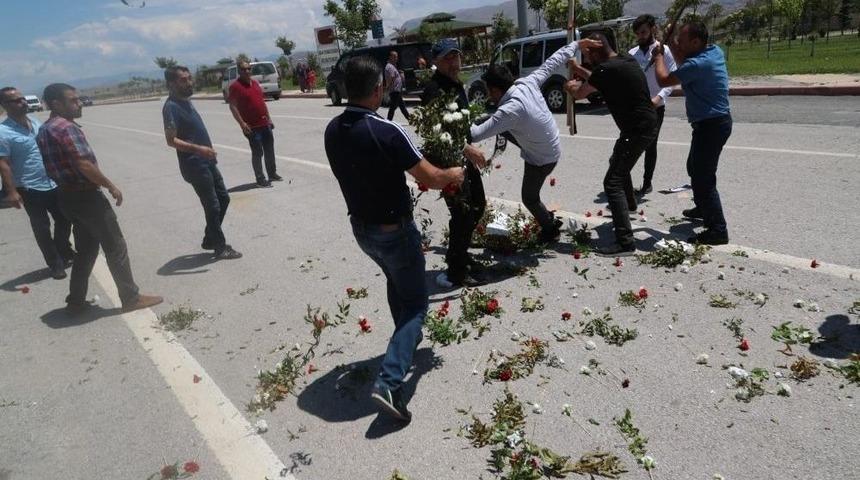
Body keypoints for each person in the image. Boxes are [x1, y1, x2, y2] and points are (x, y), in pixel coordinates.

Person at [324, 56, 465, 421]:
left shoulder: (333, 130)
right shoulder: (386, 130)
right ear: (378, 89)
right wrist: (453, 172)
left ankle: (402, 343)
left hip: (363, 231)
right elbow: (431, 177)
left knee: (394, 280)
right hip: (392, 231)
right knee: (417, 303)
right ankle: (390, 382)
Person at [36, 83, 162, 313]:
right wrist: (110, 185)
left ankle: (75, 301)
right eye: (73, 100)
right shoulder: (66, 128)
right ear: (56, 104)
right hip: (86, 198)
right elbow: (83, 163)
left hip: (66, 196)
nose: (79, 103)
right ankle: (131, 298)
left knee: (86, 249)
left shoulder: (45, 129)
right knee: (115, 246)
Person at [469, 36, 602, 244]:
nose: (488, 96)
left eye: (488, 91)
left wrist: (457, 123)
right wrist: (576, 45)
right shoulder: (527, 82)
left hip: (541, 159)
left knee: (529, 197)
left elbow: (475, 134)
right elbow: (553, 61)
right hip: (553, 145)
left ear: (495, 90)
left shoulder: (508, 111)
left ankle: (550, 229)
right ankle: (548, 222)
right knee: (494, 123)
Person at [566, 33, 658, 256]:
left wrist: (569, 86)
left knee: (612, 182)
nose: (588, 59)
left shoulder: (605, 70)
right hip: (644, 125)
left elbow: (580, 93)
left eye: (589, 54)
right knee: (617, 162)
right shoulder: (625, 60)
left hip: (636, 130)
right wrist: (577, 68)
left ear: (597, 50)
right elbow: (597, 77)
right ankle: (630, 204)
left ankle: (625, 243)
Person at [653, 20, 731, 245]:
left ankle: (718, 229)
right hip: (713, 124)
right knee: (694, 167)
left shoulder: (696, 65)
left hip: (712, 126)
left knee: (703, 178)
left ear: (696, 42)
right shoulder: (713, 51)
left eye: (682, 39)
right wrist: (672, 42)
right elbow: (682, 57)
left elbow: (664, 79)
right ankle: (703, 207)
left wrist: (659, 55)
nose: (677, 42)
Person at [420, 38, 487, 287]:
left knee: (477, 206)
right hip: (448, 164)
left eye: (455, 56)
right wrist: (467, 148)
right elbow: (435, 133)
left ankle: (460, 255)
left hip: (464, 161)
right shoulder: (434, 90)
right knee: (462, 214)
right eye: (447, 58)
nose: (453, 62)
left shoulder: (455, 84)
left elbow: (461, 123)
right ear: (436, 62)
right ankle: (455, 272)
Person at [162, 66, 243, 260]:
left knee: (224, 198)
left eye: (189, 78)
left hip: (206, 162)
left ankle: (209, 238)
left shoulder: (186, 102)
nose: (189, 82)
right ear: (172, 84)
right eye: (184, 80)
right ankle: (220, 246)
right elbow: (170, 140)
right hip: (194, 165)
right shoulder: (171, 107)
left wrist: (207, 153)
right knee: (213, 205)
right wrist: (200, 149)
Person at [0, 86, 75, 279]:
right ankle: (55, 263)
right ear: (4, 105)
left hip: (52, 181)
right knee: (41, 227)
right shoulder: (3, 132)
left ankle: (62, 249)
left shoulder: (34, 121)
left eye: (22, 98)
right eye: (15, 100)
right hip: (28, 187)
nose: (22, 102)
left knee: (65, 219)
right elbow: (4, 164)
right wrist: (11, 192)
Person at [629, 14, 677, 196]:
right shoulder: (632, 54)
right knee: (632, 143)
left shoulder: (663, 51)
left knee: (651, 144)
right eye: (638, 33)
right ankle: (624, 182)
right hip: (637, 107)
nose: (641, 36)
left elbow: (672, 78)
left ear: (652, 30)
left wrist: (659, 97)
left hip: (656, 106)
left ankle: (647, 183)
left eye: (644, 32)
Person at [228, 60, 282, 187]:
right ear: (239, 71)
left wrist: (269, 119)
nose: (247, 71)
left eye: (248, 69)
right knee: (258, 152)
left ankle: (272, 173)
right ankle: (260, 178)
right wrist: (242, 124)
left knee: (269, 150)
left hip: (264, 123)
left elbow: (262, 103)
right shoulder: (235, 87)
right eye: (243, 69)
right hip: (251, 127)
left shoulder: (256, 83)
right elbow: (233, 107)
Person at [384, 51, 410, 121]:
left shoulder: (392, 66)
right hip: (394, 90)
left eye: (397, 56)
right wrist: (387, 87)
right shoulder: (389, 66)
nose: (396, 58)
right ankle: (388, 121)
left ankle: (410, 119)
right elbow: (391, 78)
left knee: (401, 106)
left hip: (396, 90)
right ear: (390, 57)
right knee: (394, 107)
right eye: (394, 56)